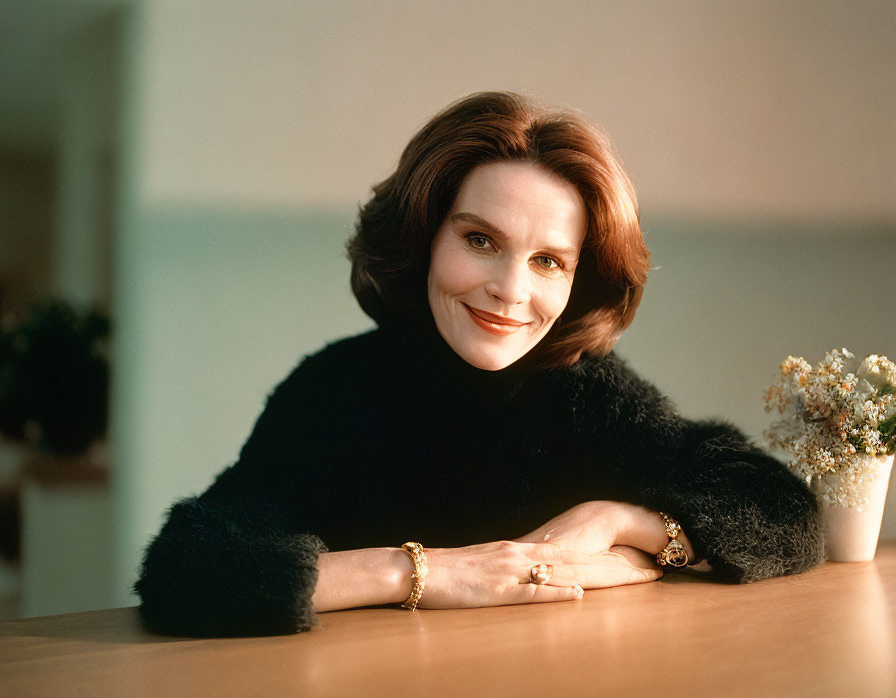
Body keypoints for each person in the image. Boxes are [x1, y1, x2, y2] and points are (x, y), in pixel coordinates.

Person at [135, 91, 824, 637]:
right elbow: (182, 570)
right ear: (425, 237)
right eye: (481, 239)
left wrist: (623, 521)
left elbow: (786, 513)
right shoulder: (332, 392)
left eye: (548, 261)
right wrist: (427, 574)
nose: (511, 290)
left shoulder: (592, 396)